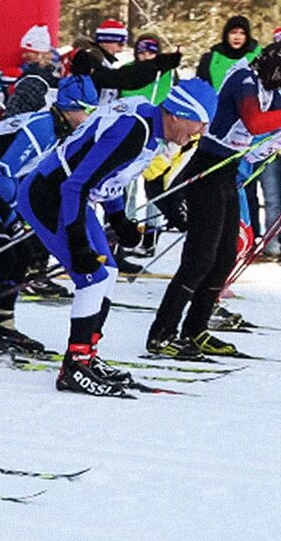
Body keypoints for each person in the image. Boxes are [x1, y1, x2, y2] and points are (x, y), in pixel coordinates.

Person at [17, 81, 216, 395]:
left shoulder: (151, 130)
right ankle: (75, 365)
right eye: (198, 125)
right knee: (92, 278)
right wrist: (78, 241)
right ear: (178, 114)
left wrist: (118, 217)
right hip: (49, 195)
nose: (199, 133)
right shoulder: (134, 130)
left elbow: (108, 178)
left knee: (107, 272)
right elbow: (75, 185)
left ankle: (87, 355)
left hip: (74, 198)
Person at [0, 74, 94, 360]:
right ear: (72, 108)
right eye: (88, 110)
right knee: (2, 253)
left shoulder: (58, 128)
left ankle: (2, 323)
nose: (88, 118)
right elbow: (2, 176)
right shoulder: (44, 127)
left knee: (22, 252)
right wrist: (20, 211)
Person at [148, 50, 281, 356]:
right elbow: (255, 121)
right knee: (199, 258)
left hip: (227, 175)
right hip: (207, 169)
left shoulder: (267, 87)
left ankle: (196, 329)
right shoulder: (244, 78)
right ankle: (162, 333)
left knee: (225, 256)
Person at [195, 15, 261, 88]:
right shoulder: (209, 59)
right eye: (233, 32)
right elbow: (200, 87)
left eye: (242, 33)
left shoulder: (259, 56)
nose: (237, 37)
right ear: (227, 34)